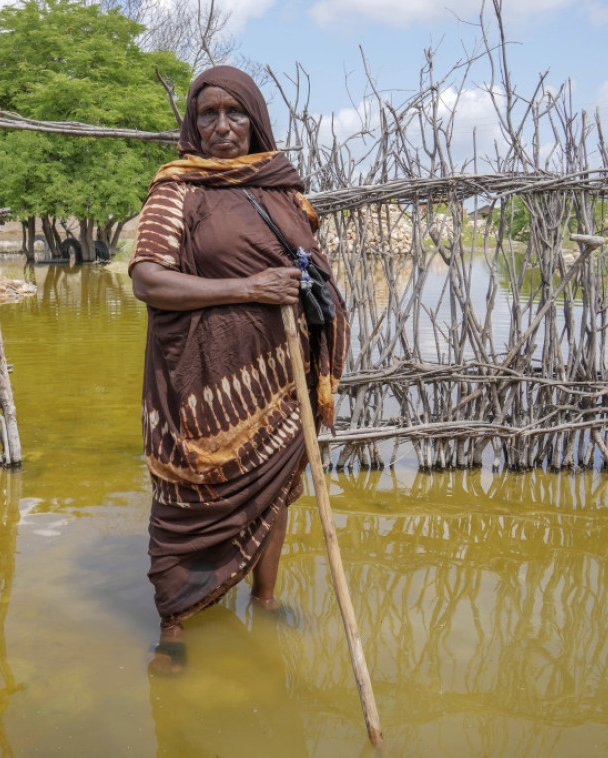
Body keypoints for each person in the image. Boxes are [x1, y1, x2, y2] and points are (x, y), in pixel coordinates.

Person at [128, 66, 349, 675]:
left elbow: (311, 269)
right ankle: (174, 622)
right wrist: (251, 286)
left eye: (235, 114)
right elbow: (147, 278)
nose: (222, 127)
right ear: (193, 125)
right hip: (201, 384)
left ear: (256, 120)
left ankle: (267, 598)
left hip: (277, 376)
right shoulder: (178, 190)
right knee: (187, 494)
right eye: (208, 115)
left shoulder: (284, 190)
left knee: (274, 492)